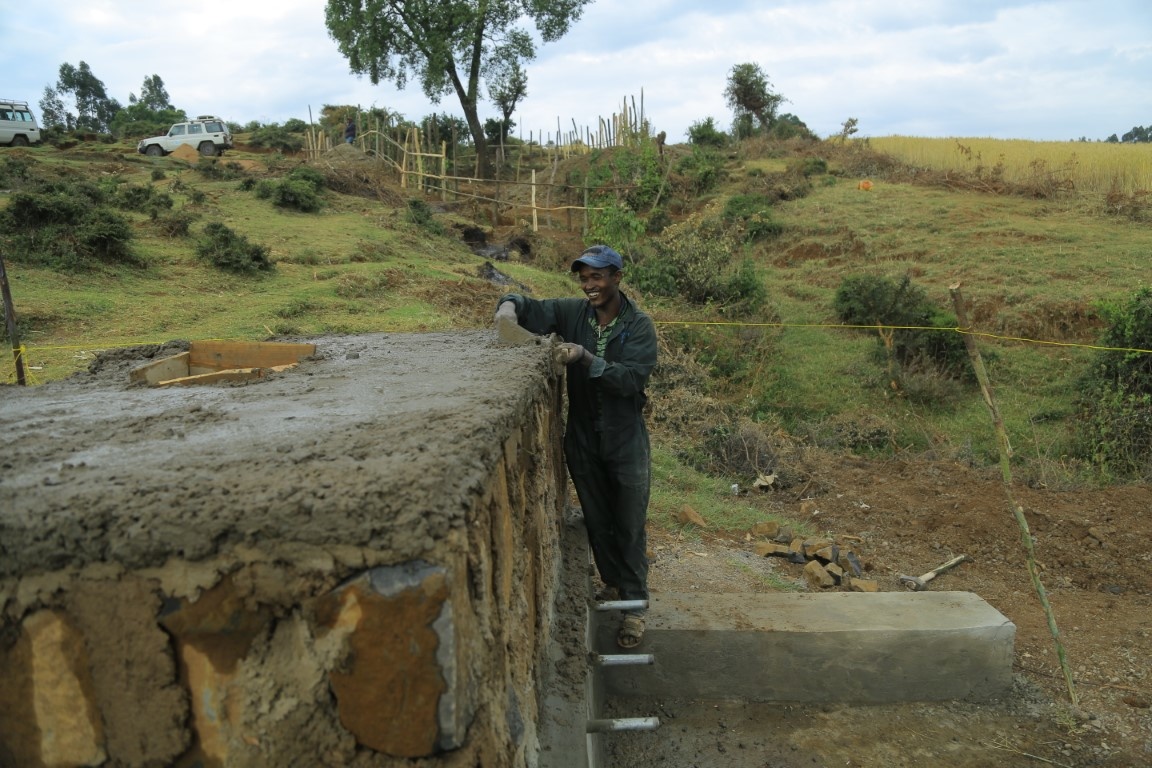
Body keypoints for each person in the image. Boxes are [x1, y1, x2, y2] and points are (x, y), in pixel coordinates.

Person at [494, 245, 657, 649]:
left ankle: (634, 607)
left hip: (625, 438)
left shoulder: (638, 326)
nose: (589, 286)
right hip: (583, 437)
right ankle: (614, 584)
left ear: (616, 277)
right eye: (584, 278)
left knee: (629, 523)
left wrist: (585, 357)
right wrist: (507, 309)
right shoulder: (573, 312)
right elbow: (530, 306)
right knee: (598, 520)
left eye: (597, 277)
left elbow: (629, 380)